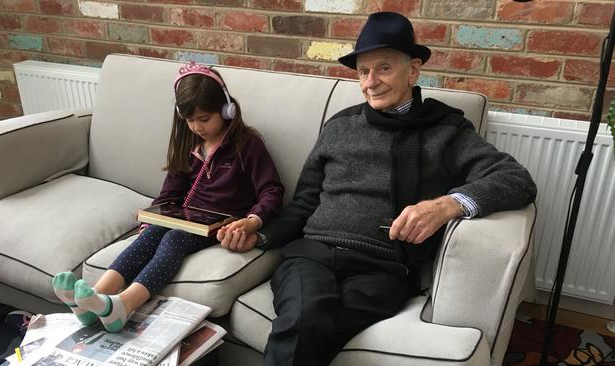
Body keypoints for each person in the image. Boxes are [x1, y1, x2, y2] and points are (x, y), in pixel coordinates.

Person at [218, 11, 537, 366]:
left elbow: (515, 179)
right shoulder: (339, 127)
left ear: (413, 70)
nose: (371, 81)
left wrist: (446, 206)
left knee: (310, 325)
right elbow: (304, 202)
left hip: (383, 268)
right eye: (363, 72)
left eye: (383, 68)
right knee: (306, 314)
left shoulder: (446, 131)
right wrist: (259, 232)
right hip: (312, 255)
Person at [52, 61, 284, 332]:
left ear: (226, 109)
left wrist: (253, 221)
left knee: (174, 239)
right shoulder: (189, 144)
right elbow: (169, 193)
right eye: (189, 120)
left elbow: (272, 190)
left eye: (205, 118)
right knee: (151, 233)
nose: (197, 126)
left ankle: (125, 304)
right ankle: (92, 297)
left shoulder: (248, 145)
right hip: (185, 218)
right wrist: (154, 216)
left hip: (221, 224)